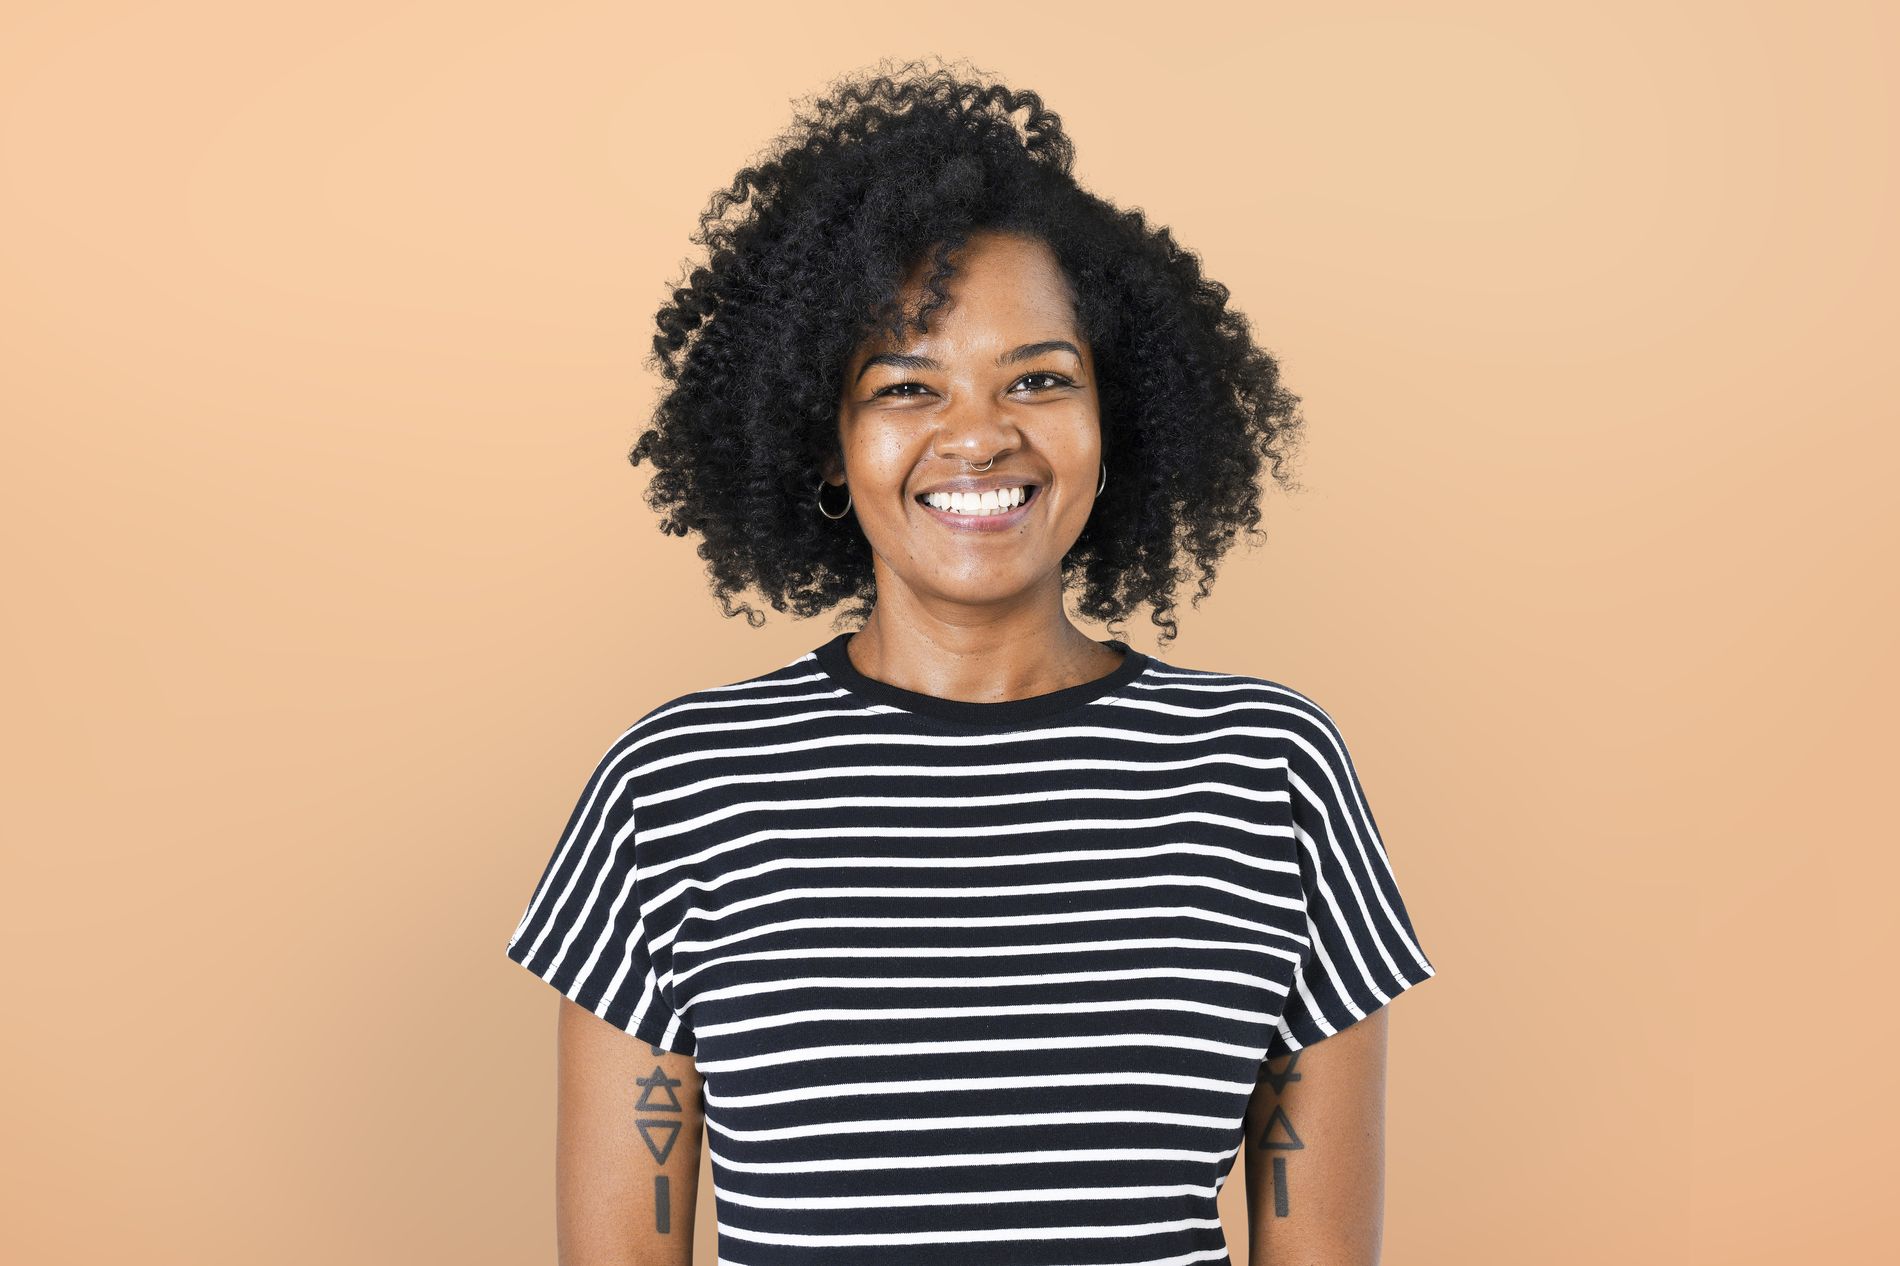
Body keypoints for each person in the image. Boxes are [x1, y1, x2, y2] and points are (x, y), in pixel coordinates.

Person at [505, 56, 1436, 1266]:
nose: (979, 434)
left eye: (1038, 379)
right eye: (906, 386)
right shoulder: (675, 791)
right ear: (826, 443)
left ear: (1120, 422)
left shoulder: (1268, 777)